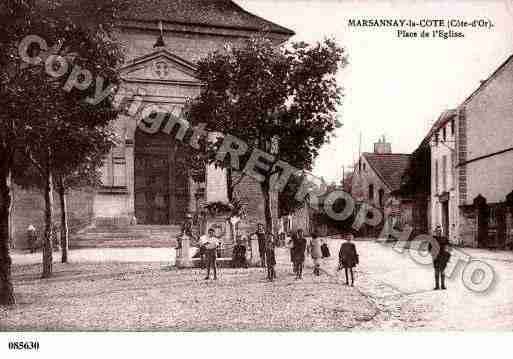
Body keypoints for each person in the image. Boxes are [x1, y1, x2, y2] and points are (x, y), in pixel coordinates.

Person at [429, 224, 451, 290]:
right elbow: (429, 248)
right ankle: (437, 286)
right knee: (436, 271)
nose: (439, 232)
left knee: (442, 271)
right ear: (435, 231)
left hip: (443, 256)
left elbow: (448, 247)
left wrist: (447, 255)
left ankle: (443, 285)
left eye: (440, 231)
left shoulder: (444, 238)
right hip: (436, 257)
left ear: (441, 231)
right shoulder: (433, 239)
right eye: (437, 231)